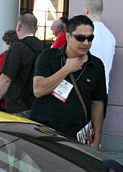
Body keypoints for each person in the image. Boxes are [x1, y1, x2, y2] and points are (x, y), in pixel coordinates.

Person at [30, 14, 107, 149]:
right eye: (80, 38)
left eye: (90, 38)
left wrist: (97, 139)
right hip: (45, 132)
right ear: (68, 37)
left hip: (77, 136)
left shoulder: (96, 65)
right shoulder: (49, 57)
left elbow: (97, 104)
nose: (86, 43)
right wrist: (66, 69)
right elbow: (38, 90)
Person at [0, 12, 44, 116]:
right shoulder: (44, 47)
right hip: (37, 105)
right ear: (36, 29)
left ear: (19, 27)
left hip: (19, 105)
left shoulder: (18, 47)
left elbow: (6, 79)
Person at [83, 0, 117, 92]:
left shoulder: (84, 34)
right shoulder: (111, 37)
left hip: (85, 89)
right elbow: (110, 68)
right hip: (103, 89)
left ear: (86, 10)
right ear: (102, 10)